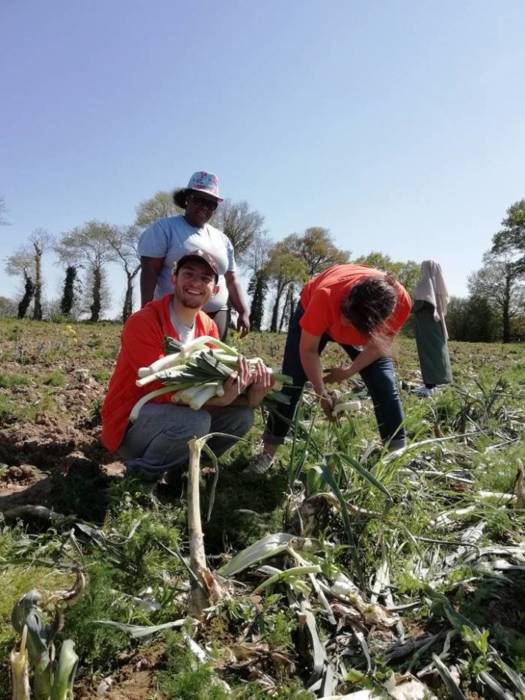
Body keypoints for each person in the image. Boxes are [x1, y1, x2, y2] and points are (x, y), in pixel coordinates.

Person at [101, 249, 273, 482]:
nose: (195, 283)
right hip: (131, 426)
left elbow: (211, 386)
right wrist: (221, 400)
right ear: (174, 279)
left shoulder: (208, 328)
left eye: (205, 278)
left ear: (215, 290)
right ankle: (140, 477)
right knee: (195, 421)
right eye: (188, 274)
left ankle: (181, 472)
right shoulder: (144, 322)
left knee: (242, 417)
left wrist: (250, 398)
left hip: (177, 416)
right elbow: (161, 391)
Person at [248, 263, 412, 474]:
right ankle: (268, 452)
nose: (343, 320)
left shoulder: (402, 304)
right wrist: (321, 393)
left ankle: (395, 454)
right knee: (292, 380)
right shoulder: (327, 295)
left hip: (360, 325)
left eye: (349, 319)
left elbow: (376, 348)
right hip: (316, 310)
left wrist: (348, 371)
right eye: (345, 311)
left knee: (383, 381)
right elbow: (308, 351)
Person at [138, 171, 250, 340]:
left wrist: (243, 312)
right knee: (175, 362)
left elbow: (231, 279)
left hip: (216, 313)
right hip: (174, 312)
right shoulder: (165, 229)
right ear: (187, 199)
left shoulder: (222, 239)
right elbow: (150, 270)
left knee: (211, 362)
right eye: (199, 200)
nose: (205, 207)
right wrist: (146, 311)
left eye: (211, 204)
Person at [412, 260, 452, 397]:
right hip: (437, 324)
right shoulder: (438, 284)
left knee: (428, 352)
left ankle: (430, 385)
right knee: (438, 351)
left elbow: (419, 305)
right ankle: (439, 381)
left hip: (426, 325)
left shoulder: (424, 283)